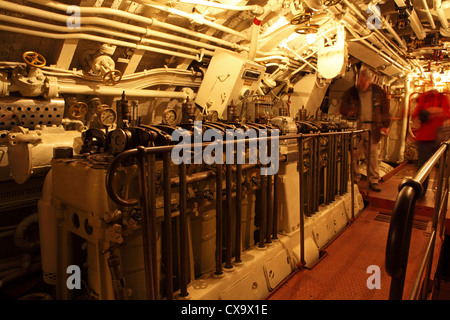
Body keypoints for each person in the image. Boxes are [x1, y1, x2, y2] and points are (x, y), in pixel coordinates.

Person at [339, 68, 391, 192]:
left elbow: (385, 110)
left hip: (373, 127)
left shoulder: (378, 92)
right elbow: (342, 109)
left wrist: (386, 126)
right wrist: (348, 113)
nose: (361, 84)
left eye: (363, 82)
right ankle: (355, 178)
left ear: (369, 81)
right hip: (357, 127)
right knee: (354, 154)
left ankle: (373, 180)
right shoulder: (352, 92)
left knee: (372, 155)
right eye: (359, 81)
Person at [411, 89, 450, 196]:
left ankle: (439, 192)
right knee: (423, 166)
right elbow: (415, 114)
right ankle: (420, 192)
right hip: (424, 138)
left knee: (441, 167)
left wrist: (434, 111)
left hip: (439, 137)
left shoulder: (442, 97)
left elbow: (447, 113)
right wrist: (426, 114)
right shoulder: (423, 97)